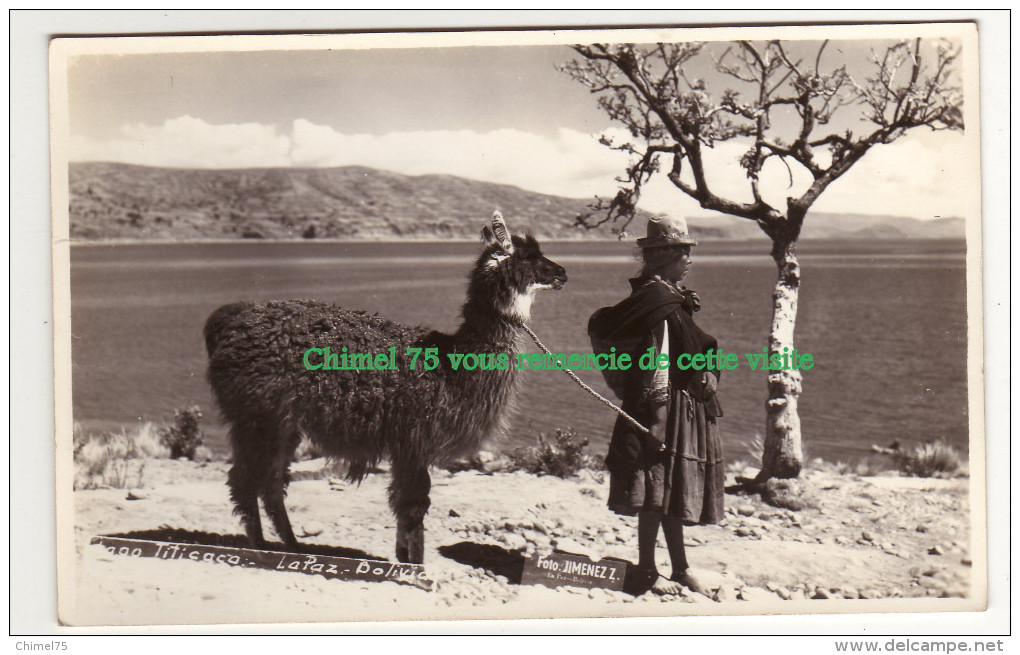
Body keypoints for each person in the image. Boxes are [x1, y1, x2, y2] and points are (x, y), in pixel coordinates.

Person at [588, 215, 725, 596]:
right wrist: (660, 420)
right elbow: (658, 365)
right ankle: (649, 568)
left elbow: (696, 347)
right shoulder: (658, 301)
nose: (689, 260)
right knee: (655, 490)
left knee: (666, 492)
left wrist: (710, 372)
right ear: (664, 255)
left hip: (678, 406)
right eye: (683, 253)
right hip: (664, 409)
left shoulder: (664, 296)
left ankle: (678, 567)